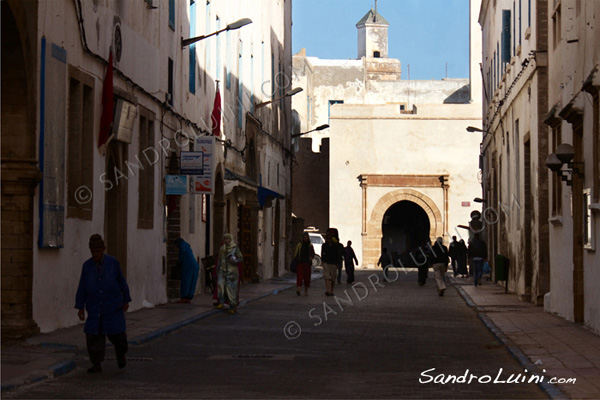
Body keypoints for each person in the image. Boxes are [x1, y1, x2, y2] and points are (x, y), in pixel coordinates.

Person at [75, 234, 131, 374]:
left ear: (103, 249)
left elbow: (122, 282)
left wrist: (126, 299)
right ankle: (96, 363)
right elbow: (82, 286)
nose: (96, 254)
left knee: (118, 336)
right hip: (95, 307)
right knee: (94, 336)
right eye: (93, 252)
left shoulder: (113, 263)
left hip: (113, 306)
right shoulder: (87, 267)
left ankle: (120, 355)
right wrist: (80, 306)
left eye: (98, 251)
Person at [215, 233, 243, 313]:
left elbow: (240, 257)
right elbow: (219, 259)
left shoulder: (234, 248)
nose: (226, 240)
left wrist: (235, 260)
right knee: (221, 286)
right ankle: (221, 301)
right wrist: (218, 269)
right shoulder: (222, 248)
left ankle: (232, 306)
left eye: (227, 239)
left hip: (232, 271)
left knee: (231, 289)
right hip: (222, 270)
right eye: (224, 239)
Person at [175, 238, 199, 303]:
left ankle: (184, 297)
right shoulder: (188, 246)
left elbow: (182, 251)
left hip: (188, 265)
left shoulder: (182, 244)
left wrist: (180, 260)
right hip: (195, 265)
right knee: (192, 281)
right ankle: (189, 297)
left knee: (186, 280)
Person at [321, 231, 342, 296]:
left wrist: (337, 263)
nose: (329, 240)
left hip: (333, 263)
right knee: (327, 277)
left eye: (330, 239)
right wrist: (323, 261)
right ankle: (328, 290)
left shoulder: (335, 246)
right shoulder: (324, 245)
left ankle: (331, 290)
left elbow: (337, 254)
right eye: (328, 239)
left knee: (333, 278)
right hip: (326, 262)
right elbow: (322, 253)